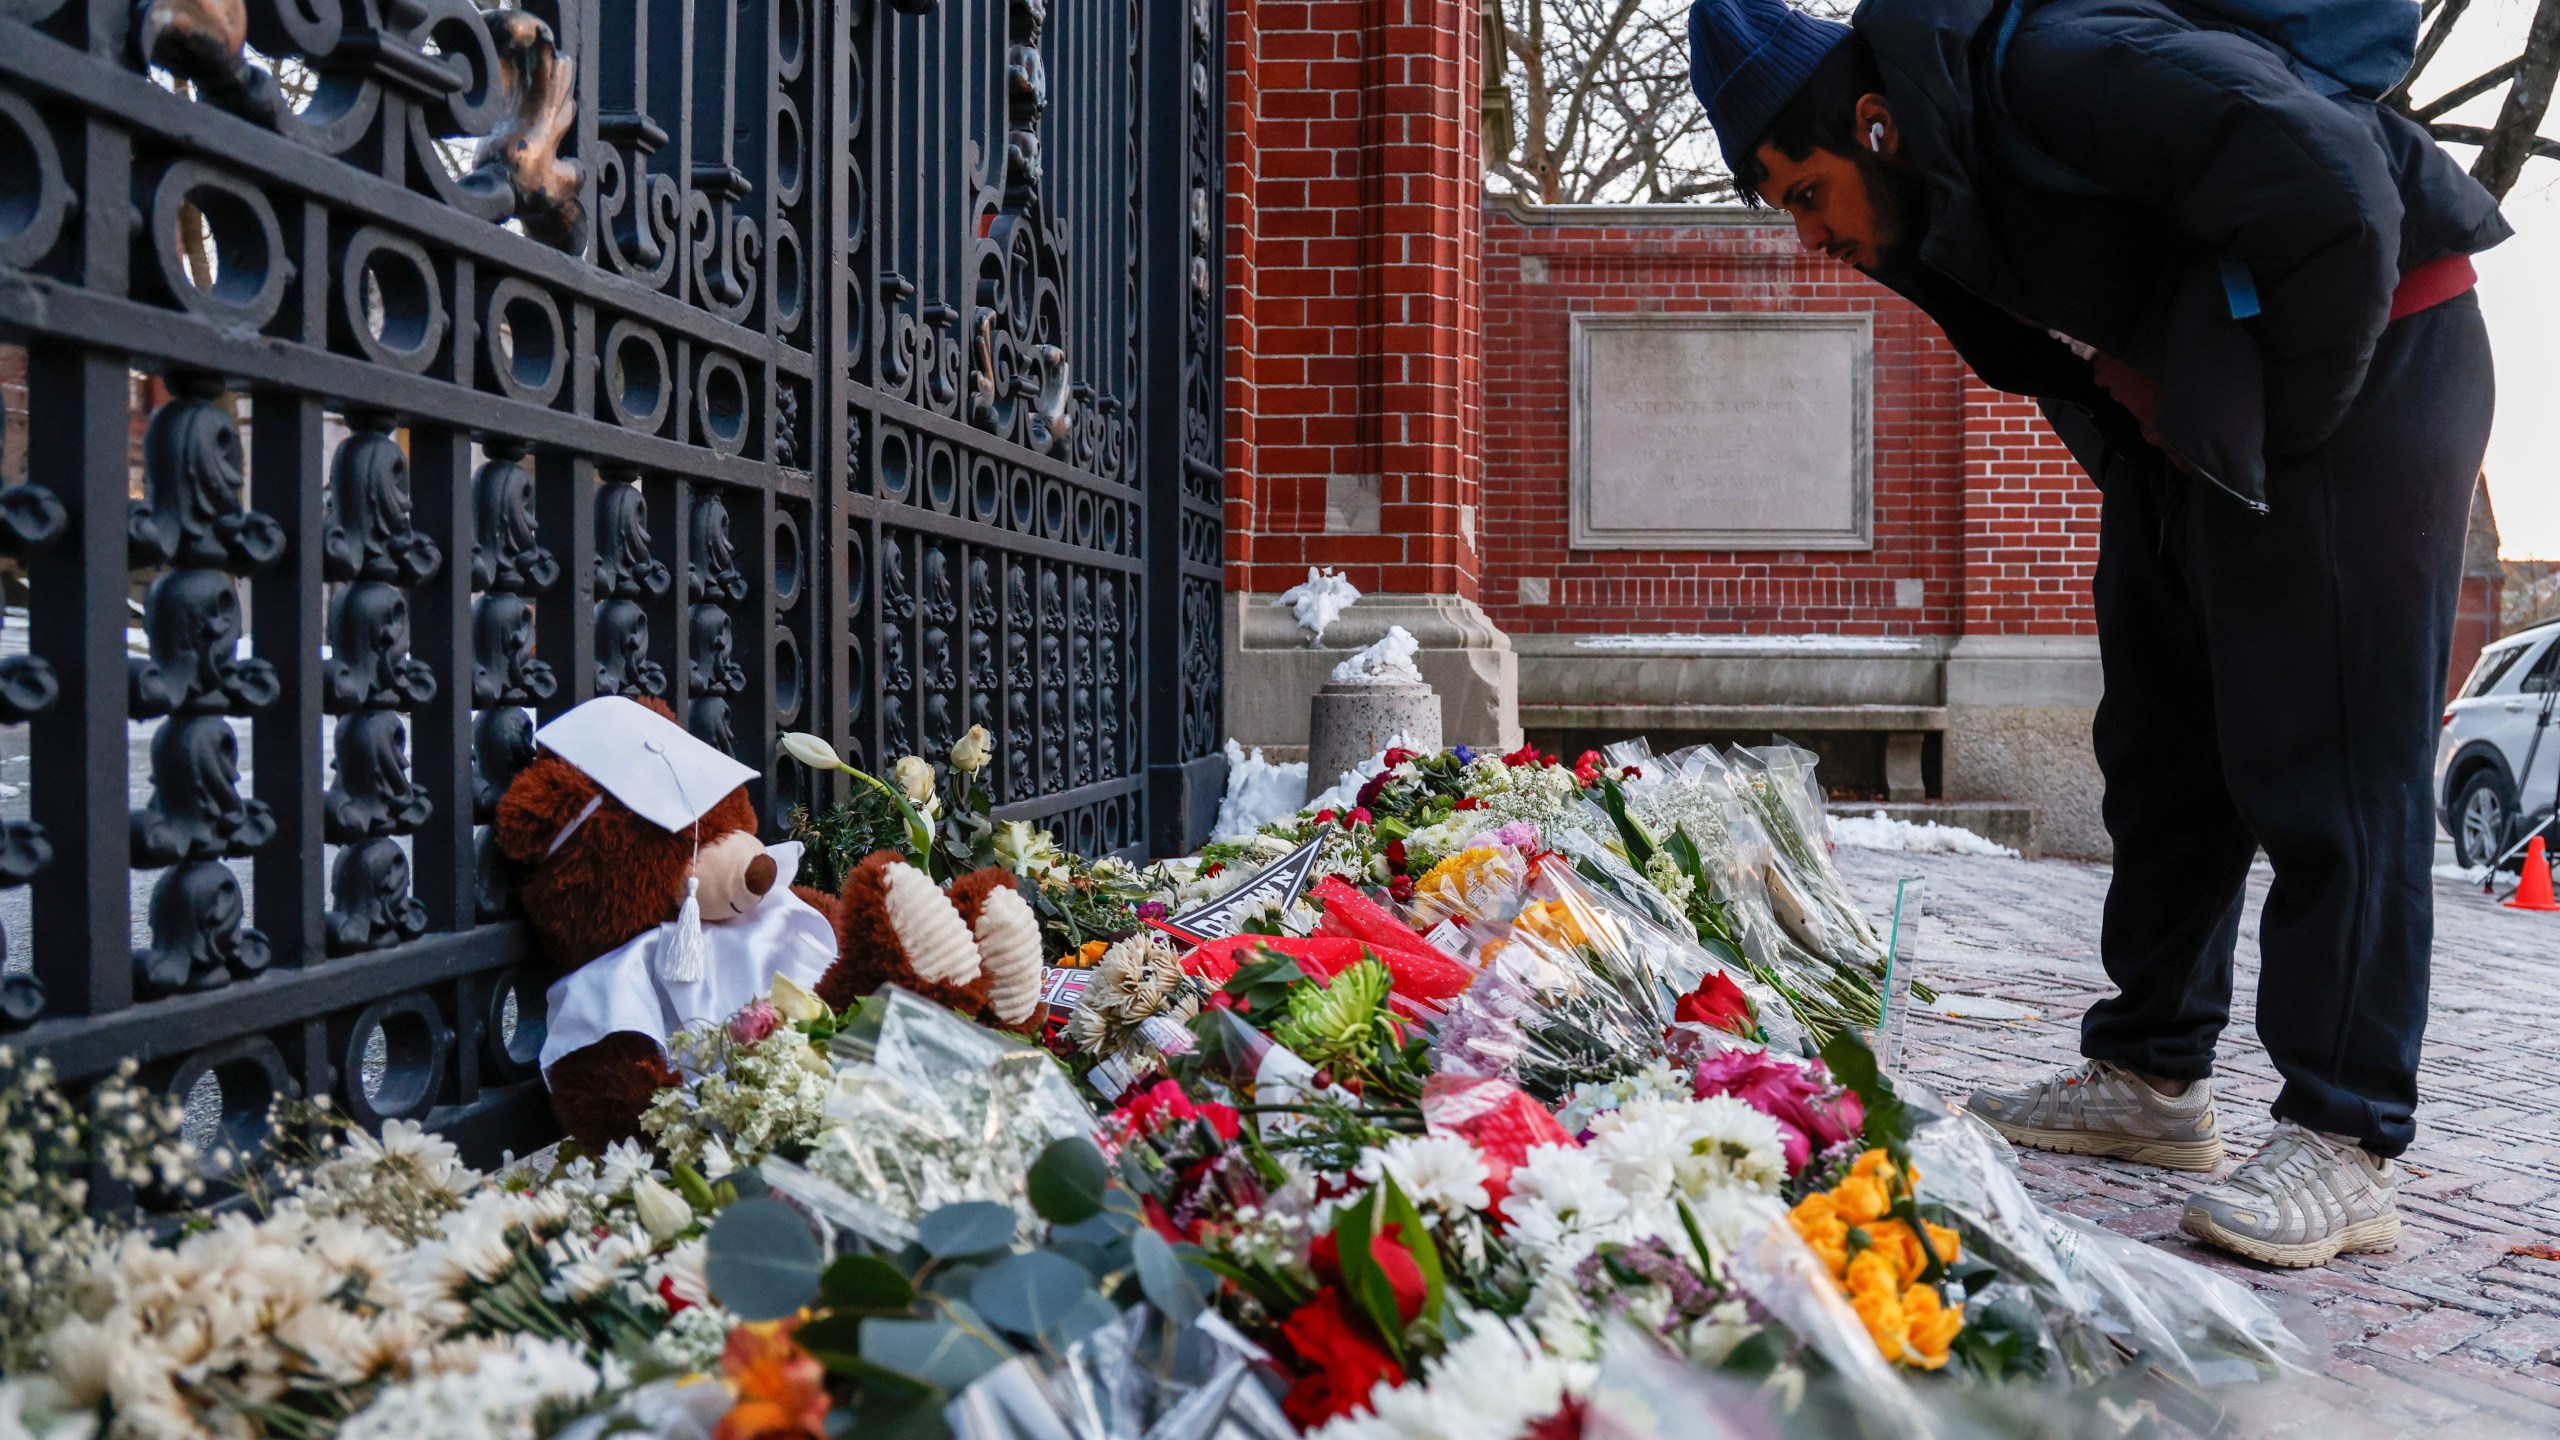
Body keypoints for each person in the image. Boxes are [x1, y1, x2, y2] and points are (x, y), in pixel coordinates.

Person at [1687, 0, 2506, 1269]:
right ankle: (2152, 1079)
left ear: (1869, 121)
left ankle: (2346, 1139)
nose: (1813, 241)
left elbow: (2338, 197)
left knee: (2331, 753)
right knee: (2162, 733)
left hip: (2370, 350)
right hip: (2207, 403)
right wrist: (2171, 433)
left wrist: (2275, 432)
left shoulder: (2060, 68)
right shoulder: (1936, 194)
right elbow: (2073, 339)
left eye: (1805, 195)